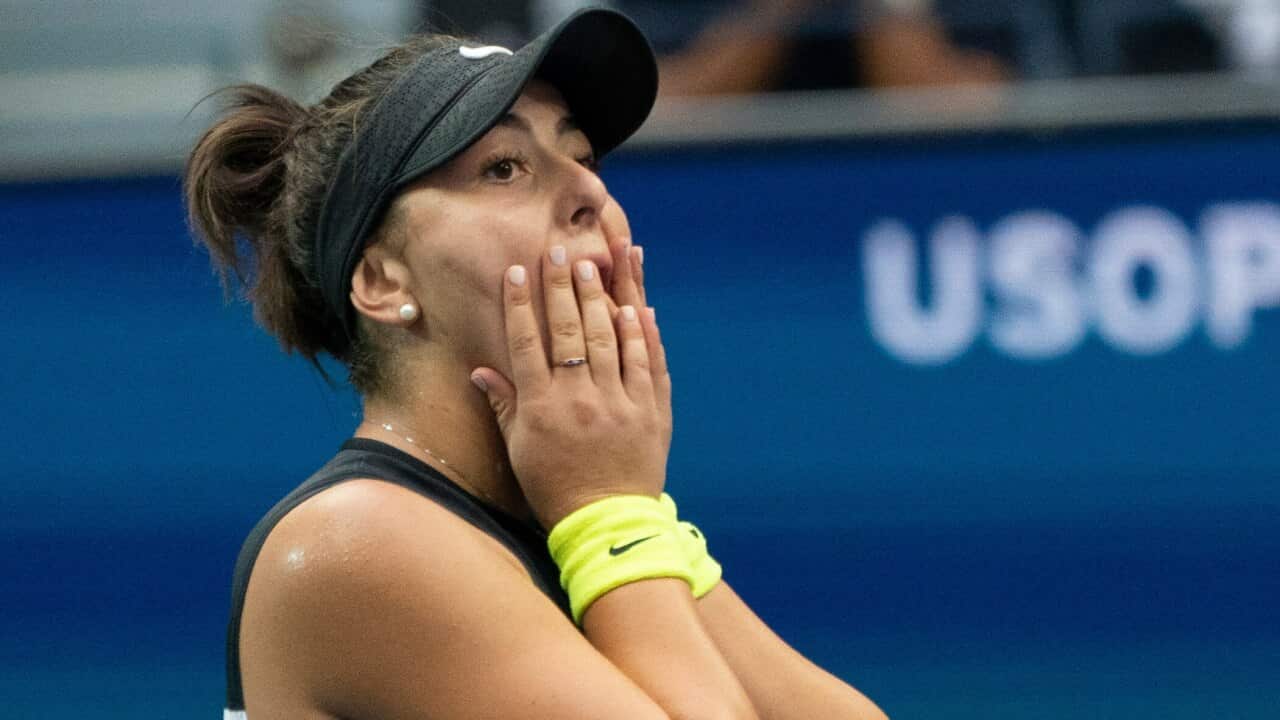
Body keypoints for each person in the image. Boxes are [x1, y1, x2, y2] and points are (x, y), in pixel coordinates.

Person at [186, 8, 887, 719]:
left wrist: (621, 513)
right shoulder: (356, 542)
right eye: (504, 167)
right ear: (384, 280)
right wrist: (613, 515)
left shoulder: (573, 516)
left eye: (581, 157)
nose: (591, 193)